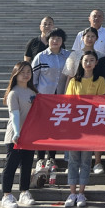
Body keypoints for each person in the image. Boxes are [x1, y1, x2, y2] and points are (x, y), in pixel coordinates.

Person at [65, 51, 105, 207]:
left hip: (91, 125)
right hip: (75, 126)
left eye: (91, 60)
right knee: (73, 160)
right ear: (81, 63)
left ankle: (81, 192)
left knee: (86, 160)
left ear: (96, 63)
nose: (88, 63)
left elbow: (102, 101)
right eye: (85, 60)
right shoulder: (74, 81)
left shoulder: (100, 80)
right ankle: (72, 193)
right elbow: (69, 102)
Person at [31, 28, 70, 171]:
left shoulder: (68, 56)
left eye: (58, 38)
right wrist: (36, 96)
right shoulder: (41, 57)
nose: (55, 41)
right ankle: (40, 158)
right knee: (42, 129)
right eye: (53, 38)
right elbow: (33, 79)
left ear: (62, 41)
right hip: (44, 98)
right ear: (48, 40)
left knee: (55, 128)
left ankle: (52, 157)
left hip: (61, 99)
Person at [0, 62, 38, 208]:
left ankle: (24, 192)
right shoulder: (13, 93)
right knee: (11, 166)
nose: (26, 74)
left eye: (28, 71)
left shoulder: (33, 92)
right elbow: (14, 115)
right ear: (15, 74)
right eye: (22, 72)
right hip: (14, 136)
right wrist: (17, 132)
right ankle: (7, 195)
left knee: (27, 165)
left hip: (29, 136)